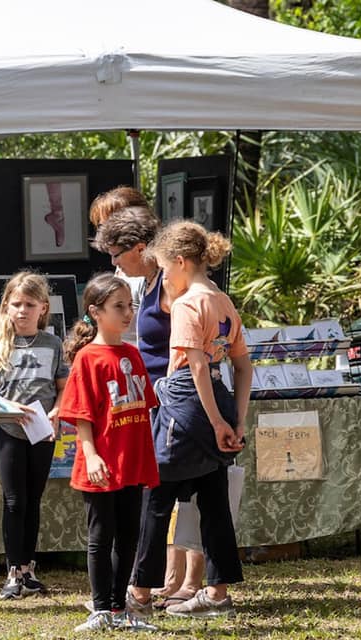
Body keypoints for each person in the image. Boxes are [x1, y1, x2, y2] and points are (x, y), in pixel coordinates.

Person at [128, 220, 253, 619]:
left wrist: (216, 421)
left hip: (187, 404)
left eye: (165, 268)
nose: (164, 276)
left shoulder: (186, 304)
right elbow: (244, 365)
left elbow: (194, 366)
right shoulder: (222, 300)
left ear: (180, 262)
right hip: (221, 398)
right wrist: (237, 420)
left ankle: (141, 594)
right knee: (213, 500)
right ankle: (217, 594)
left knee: (156, 497)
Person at [95, 207, 204, 609]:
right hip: (154, 400)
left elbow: (187, 343)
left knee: (165, 498)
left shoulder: (170, 285)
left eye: (117, 255)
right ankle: (155, 583)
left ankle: (156, 586)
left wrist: (166, 388)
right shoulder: (151, 282)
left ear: (140, 248)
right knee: (156, 498)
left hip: (172, 402)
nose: (114, 263)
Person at [58, 274, 160, 633]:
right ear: (95, 312)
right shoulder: (88, 358)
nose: (128, 313)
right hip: (102, 461)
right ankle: (101, 608)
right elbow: (81, 414)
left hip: (132, 459)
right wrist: (92, 454)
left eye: (130, 305)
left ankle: (120, 609)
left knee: (129, 535)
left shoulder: (132, 353)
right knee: (101, 536)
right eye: (119, 306)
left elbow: (142, 407)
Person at [0, 272, 69, 600]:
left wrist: (56, 411)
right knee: (14, 500)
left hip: (43, 432)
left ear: (43, 308)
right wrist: (7, 405)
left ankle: (29, 569)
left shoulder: (53, 344)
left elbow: (62, 387)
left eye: (29, 305)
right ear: (5, 307)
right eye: (16, 304)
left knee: (33, 499)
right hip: (10, 430)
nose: (22, 310)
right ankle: (13, 570)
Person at [88, 186, 150, 346]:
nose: (102, 233)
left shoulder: (147, 270)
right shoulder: (121, 266)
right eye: (100, 226)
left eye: (107, 225)